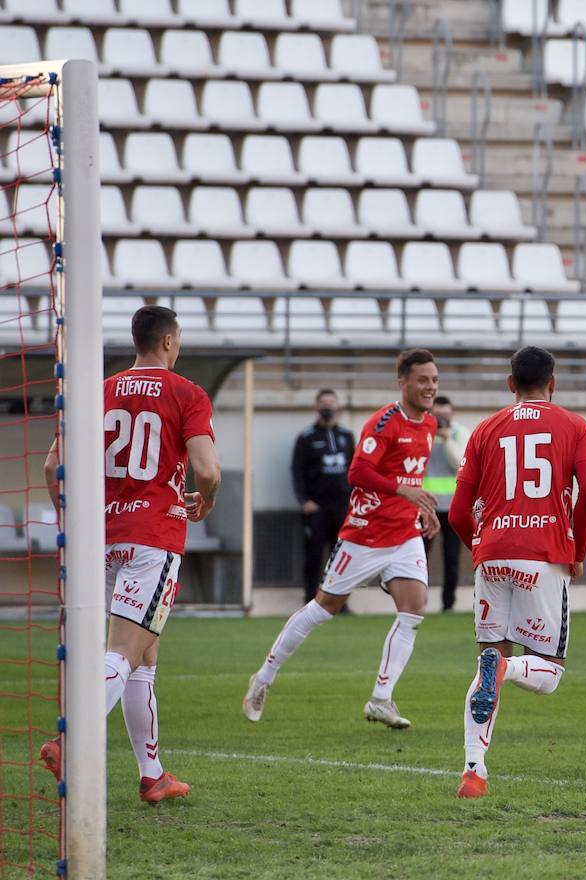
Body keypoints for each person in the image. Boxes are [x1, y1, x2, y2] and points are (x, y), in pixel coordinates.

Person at [40, 305, 220, 804]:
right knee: (122, 650)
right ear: (167, 342)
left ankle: (153, 774)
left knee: (143, 657)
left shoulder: (97, 391)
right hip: (153, 536)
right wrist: (208, 498)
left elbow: (53, 465)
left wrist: (73, 524)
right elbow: (205, 469)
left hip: (101, 537)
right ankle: (69, 738)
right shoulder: (186, 393)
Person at [244, 350, 441, 728]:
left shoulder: (429, 425)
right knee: (324, 608)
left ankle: (381, 699)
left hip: (403, 535)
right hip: (364, 536)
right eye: (422, 379)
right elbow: (358, 472)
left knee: (414, 608)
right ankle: (264, 677)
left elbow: (411, 481)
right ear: (402, 382)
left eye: (434, 380)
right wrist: (402, 491)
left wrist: (422, 509)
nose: (430, 386)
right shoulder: (384, 423)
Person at [448, 346, 586, 799]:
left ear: (510, 384)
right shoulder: (574, 426)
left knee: (486, 661)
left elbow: (459, 511)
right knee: (548, 674)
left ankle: (474, 771)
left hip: (492, 553)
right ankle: (507, 667)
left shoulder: (484, 429)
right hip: (544, 554)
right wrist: (579, 548)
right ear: (553, 384)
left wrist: (482, 547)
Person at [291, 388, 355, 606]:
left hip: (342, 508)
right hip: (316, 509)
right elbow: (297, 471)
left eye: (331, 402)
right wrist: (304, 501)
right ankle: (310, 600)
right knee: (314, 556)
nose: (327, 407)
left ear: (337, 406)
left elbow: (356, 470)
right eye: (323, 403)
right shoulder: (306, 438)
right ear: (317, 406)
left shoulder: (346, 436)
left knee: (341, 558)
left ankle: (340, 603)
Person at [422, 395, 467, 612]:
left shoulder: (459, 433)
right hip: (427, 506)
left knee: (451, 557)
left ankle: (448, 604)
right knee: (420, 557)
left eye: (445, 415)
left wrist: (447, 438)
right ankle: (417, 602)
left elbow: (460, 464)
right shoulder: (422, 431)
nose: (441, 420)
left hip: (453, 507)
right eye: (437, 415)